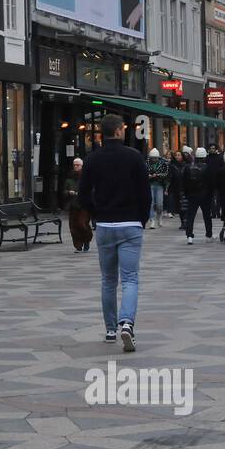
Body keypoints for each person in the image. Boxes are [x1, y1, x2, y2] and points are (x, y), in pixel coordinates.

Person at [77, 114, 150, 352]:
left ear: (102, 133)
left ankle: (110, 329)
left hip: (106, 225)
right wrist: (142, 218)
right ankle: (126, 323)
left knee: (108, 280)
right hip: (130, 223)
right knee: (130, 278)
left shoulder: (92, 159)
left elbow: (83, 194)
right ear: (119, 131)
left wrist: (95, 212)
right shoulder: (134, 156)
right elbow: (145, 192)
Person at [180, 147, 212, 244]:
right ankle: (208, 235)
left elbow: (184, 182)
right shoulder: (207, 168)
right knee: (207, 215)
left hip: (192, 195)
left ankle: (189, 235)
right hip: (205, 195)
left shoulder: (188, 167)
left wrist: (186, 193)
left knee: (190, 216)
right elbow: (210, 183)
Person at [63, 158, 91, 253]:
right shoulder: (69, 178)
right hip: (73, 205)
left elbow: (91, 189)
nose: (76, 166)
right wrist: (68, 192)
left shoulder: (86, 177)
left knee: (82, 224)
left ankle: (86, 240)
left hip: (84, 205)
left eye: (78, 165)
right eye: (74, 165)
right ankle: (78, 245)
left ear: (82, 166)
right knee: (73, 226)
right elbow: (64, 191)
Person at [146, 148, 169, 229]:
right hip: (149, 185)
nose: (154, 159)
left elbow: (166, 174)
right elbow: (143, 173)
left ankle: (159, 217)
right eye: (152, 158)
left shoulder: (163, 163)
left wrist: (157, 175)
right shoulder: (146, 163)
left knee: (159, 204)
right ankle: (152, 220)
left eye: (155, 158)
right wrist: (148, 176)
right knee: (150, 203)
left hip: (159, 185)